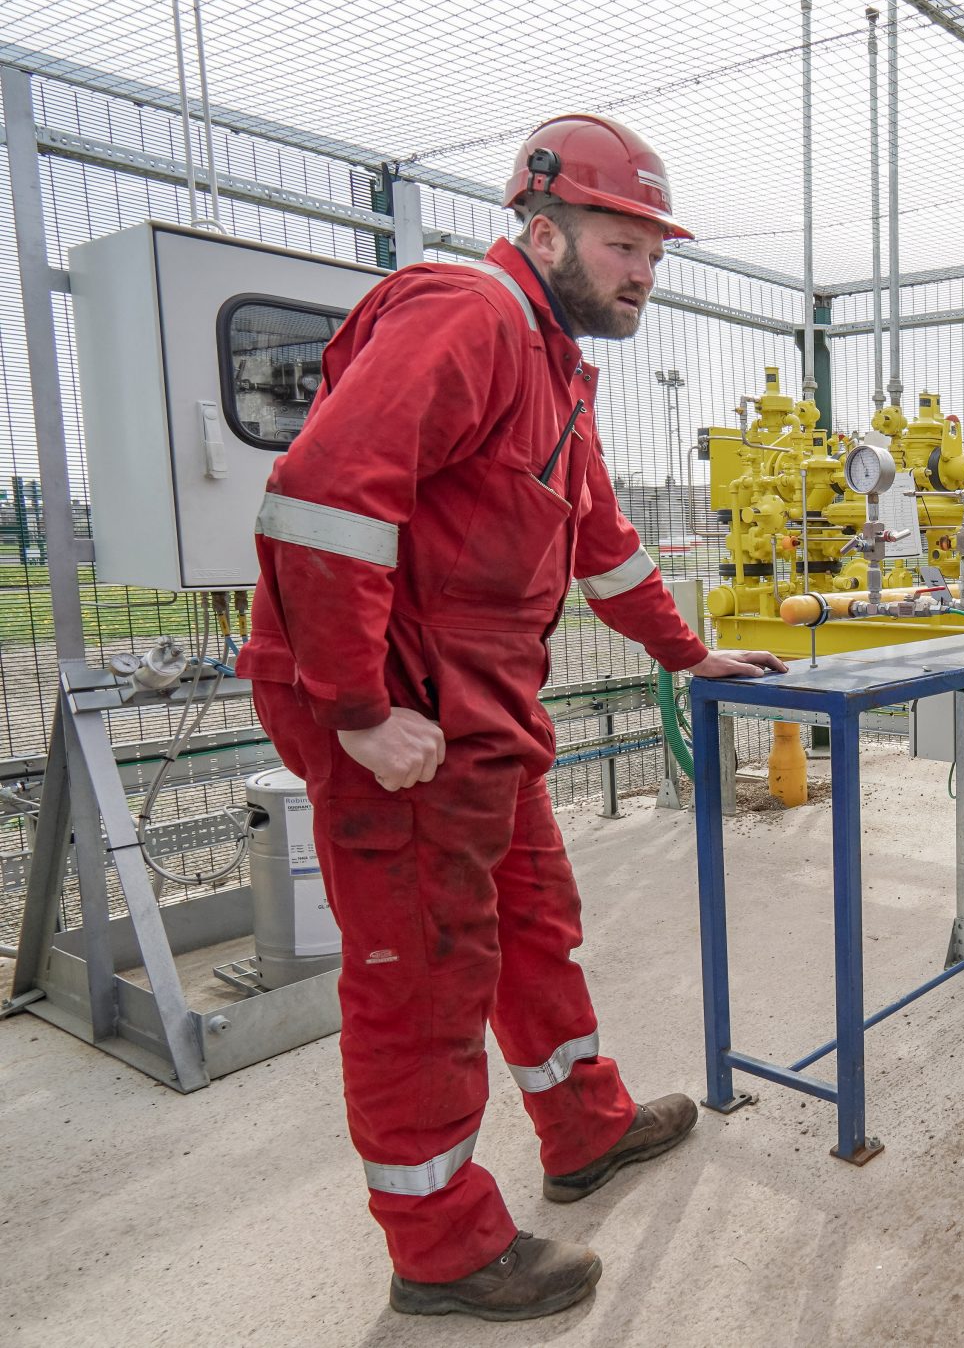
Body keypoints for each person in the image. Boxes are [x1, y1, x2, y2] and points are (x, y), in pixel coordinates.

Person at [238, 113, 785, 1321]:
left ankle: (581, 1127)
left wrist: (690, 654)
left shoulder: (552, 369)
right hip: (400, 711)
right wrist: (357, 710)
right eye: (620, 242)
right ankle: (440, 1248)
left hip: (476, 712)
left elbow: (602, 548)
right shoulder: (468, 315)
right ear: (541, 231)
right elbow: (322, 499)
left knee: (533, 915)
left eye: (654, 251)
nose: (643, 272)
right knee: (422, 971)